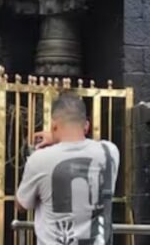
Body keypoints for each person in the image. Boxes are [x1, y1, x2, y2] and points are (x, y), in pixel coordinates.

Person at [16, 94, 119, 244]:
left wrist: (53, 136)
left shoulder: (39, 160)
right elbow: (92, 144)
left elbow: (22, 205)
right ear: (87, 126)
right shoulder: (110, 152)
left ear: (54, 126)